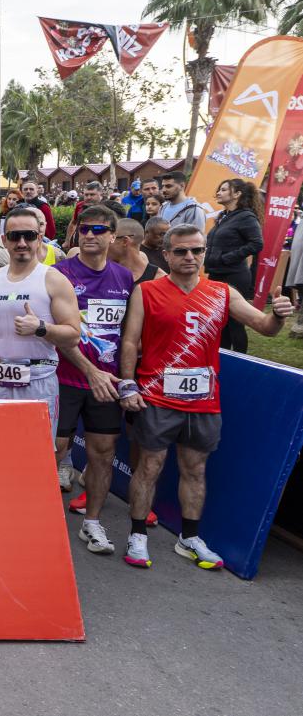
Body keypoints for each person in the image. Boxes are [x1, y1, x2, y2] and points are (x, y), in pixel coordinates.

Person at [118, 224, 297, 570]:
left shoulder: (222, 292)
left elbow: (265, 328)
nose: (190, 257)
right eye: (181, 251)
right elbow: (129, 341)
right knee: (149, 466)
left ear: (204, 253)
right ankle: (137, 535)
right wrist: (128, 384)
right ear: (167, 255)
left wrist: (277, 314)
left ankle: (189, 538)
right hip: (157, 396)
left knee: (195, 469)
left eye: (197, 251)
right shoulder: (147, 291)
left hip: (203, 400)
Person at [50, 205, 134, 552]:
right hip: (64, 378)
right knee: (53, 452)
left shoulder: (124, 278)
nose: (89, 235)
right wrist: (90, 370)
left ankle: (93, 523)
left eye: (98, 230)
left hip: (107, 383)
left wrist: (125, 379)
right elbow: (55, 333)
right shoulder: (59, 274)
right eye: (84, 229)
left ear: (113, 236)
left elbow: (127, 334)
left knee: (103, 453)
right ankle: (40, 520)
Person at [0, 208, 82, 440]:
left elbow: (73, 335)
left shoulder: (54, 280)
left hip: (36, 382)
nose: (22, 242)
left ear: (39, 237)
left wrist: (41, 327)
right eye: (15, 236)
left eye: (29, 235)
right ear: (4, 240)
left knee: (34, 452)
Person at [206, 179, 264, 353]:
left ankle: (240, 358)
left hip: (234, 275)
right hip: (216, 274)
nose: (218, 193)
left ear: (237, 194)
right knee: (220, 321)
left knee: (235, 322)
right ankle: (223, 356)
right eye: (219, 189)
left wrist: (227, 258)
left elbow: (256, 244)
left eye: (224, 189)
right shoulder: (224, 216)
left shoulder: (246, 217)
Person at [109, 218, 163, 285]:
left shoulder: (160, 281)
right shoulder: (104, 273)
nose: (105, 244)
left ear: (125, 241)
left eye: (111, 239)